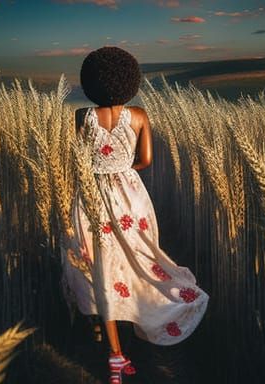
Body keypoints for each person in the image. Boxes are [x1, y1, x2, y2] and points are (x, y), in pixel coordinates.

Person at [59, 46, 208, 384]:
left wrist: (98, 171)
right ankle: (149, 319)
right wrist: (122, 169)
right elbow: (146, 161)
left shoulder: (82, 117)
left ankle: (114, 355)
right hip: (130, 195)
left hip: (91, 196)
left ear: (90, 81)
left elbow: (77, 160)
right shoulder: (139, 115)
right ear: (130, 79)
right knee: (141, 261)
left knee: (100, 269)